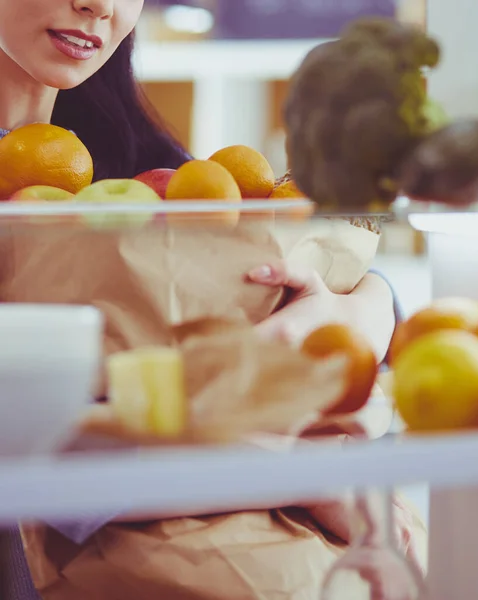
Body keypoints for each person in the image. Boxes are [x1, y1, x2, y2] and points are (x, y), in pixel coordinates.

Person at [0, 1, 417, 599]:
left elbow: (278, 286)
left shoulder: (141, 166)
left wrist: (357, 309)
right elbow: (29, 448)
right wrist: (300, 477)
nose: (99, 4)